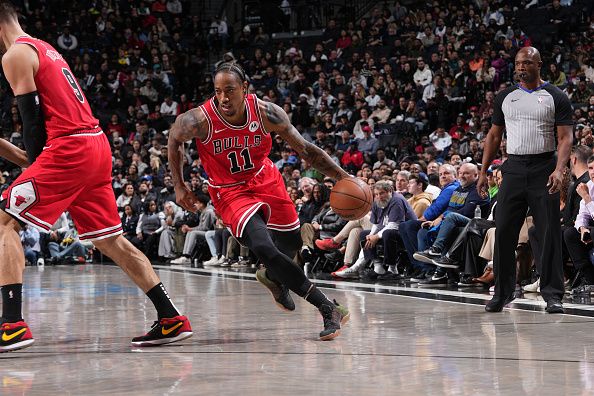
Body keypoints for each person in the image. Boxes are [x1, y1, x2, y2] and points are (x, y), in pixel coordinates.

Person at [0, 2, 192, 352]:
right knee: (111, 241)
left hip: (69, 149)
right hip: (94, 146)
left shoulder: (14, 54)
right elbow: (37, 145)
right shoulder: (46, 48)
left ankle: (11, 325)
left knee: (3, 222)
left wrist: (33, 169)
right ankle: (171, 317)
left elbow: (32, 126)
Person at [168, 61, 352, 340]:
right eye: (217, 91)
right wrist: (179, 186)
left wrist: (342, 177)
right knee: (264, 247)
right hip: (230, 190)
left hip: (266, 179)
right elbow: (174, 138)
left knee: (290, 244)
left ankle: (274, 279)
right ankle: (327, 307)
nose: (223, 97)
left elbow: (306, 151)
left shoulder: (267, 113)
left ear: (244, 88)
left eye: (229, 90)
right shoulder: (199, 120)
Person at [477, 46, 573, 314]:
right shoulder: (506, 97)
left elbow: (565, 137)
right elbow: (494, 136)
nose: (521, 68)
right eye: (518, 63)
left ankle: (553, 295)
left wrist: (559, 169)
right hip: (514, 168)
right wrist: (484, 171)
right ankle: (503, 293)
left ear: (539, 65)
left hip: (545, 167)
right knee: (504, 231)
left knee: (549, 232)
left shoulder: (555, 96)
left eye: (527, 63)